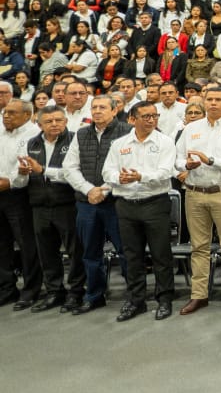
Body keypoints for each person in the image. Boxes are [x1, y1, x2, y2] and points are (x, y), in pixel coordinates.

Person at [174, 83, 221, 315]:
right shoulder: (191, 128)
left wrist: (211, 161)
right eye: (209, 99)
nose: (213, 103)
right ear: (203, 101)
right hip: (194, 192)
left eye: (218, 99)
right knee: (199, 247)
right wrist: (186, 165)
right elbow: (176, 160)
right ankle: (199, 295)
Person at [102, 101, 177, 321]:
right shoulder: (119, 144)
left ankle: (164, 299)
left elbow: (166, 172)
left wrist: (140, 176)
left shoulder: (165, 142)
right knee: (131, 255)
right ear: (132, 119)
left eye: (154, 116)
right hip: (126, 204)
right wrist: (120, 178)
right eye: (146, 116)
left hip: (155, 203)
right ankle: (136, 300)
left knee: (161, 254)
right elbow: (107, 171)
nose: (151, 120)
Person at [62, 94, 131, 314]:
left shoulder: (127, 132)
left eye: (102, 107)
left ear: (114, 110)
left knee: (125, 251)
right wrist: (89, 190)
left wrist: (104, 189)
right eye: (94, 108)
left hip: (117, 202)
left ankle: (134, 296)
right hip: (87, 202)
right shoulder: (82, 133)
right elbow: (69, 167)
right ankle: (94, 296)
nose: (97, 111)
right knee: (90, 253)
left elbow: (129, 166)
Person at [20, 104, 84, 312]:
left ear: (66, 121)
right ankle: (55, 292)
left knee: (75, 251)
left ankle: (76, 292)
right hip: (39, 204)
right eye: (49, 121)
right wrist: (23, 172)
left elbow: (74, 173)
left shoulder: (75, 140)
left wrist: (42, 170)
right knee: (46, 253)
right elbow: (26, 174)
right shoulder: (32, 143)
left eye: (59, 120)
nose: (54, 124)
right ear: (39, 124)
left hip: (67, 203)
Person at [0, 99, 40, 309]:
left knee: (26, 244)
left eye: (12, 113)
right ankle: (6, 288)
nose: (6, 116)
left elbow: (26, 167)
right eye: (5, 113)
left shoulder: (33, 134)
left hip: (20, 194)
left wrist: (10, 181)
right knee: (1, 244)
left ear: (27, 115)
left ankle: (31, 289)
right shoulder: (1, 132)